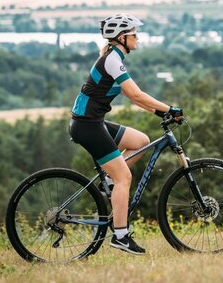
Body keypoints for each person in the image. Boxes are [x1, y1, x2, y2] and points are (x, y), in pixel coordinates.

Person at [68, 13, 182, 255]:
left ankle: (109, 182)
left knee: (140, 141)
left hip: (92, 122)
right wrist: (168, 109)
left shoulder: (113, 57)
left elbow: (136, 99)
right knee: (125, 178)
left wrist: (160, 112)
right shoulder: (112, 60)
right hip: (87, 126)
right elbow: (136, 94)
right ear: (122, 37)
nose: (137, 38)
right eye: (133, 34)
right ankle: (120, 236)